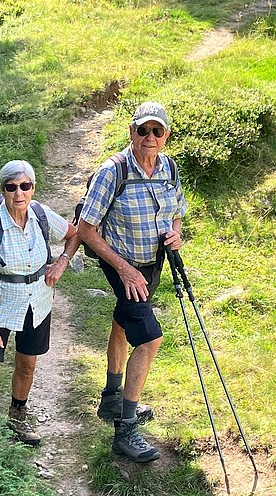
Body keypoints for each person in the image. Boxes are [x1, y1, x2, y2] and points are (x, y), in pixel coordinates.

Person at [78, 101, 187, 463]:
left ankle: (111, 399)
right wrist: (124, 270)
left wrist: (175, 233)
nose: (150, 138)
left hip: (152, 263)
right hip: (123, 264)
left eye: (157, 131)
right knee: (151, 339)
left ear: (166, 136)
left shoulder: (169, 168)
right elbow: (86, 230)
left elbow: (176, 215)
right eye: (143, 130)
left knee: (123, 325)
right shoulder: (113, 170)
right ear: (132, 132)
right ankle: (125, 430)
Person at [0, 159, 79, 446]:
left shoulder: (41, 214)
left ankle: (17, 419)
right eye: (11, 187)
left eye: (25, 186)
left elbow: (74, 234)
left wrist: (61, 263)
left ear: (32, 188)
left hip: (37, 303)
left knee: (27, 364)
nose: (19, 193)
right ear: (3, 189)